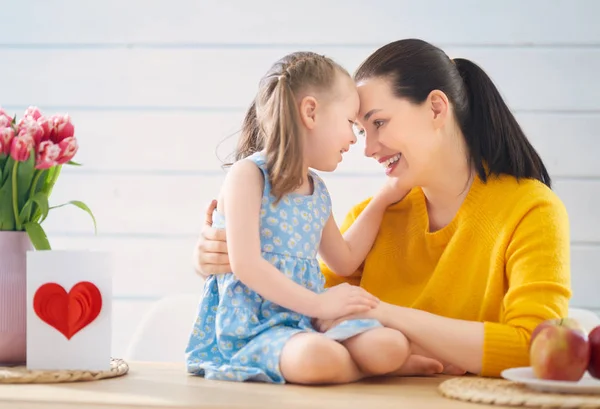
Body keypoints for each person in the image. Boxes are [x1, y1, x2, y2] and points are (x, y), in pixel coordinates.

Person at [192, 39, 572, 378]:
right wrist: (217, 261)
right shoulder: (372, 219)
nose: (369, 148)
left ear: (437, 109)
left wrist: (386, 313)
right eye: (359, 130)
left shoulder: (530, 211)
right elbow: (309, 319)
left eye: (379, 123)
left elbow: (533, 349)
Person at [185, 51, 416, 385]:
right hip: (252, 327)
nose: (354, 138)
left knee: (390, 344)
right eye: (351, 123)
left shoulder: (317, 190)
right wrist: (319, 304)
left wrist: (384, 199)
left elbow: (344, 260)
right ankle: (367, 370)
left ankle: (381, 362)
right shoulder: (248, 176)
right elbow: (246, 265)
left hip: (306, 321)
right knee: (317, 358)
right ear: (311, 112)